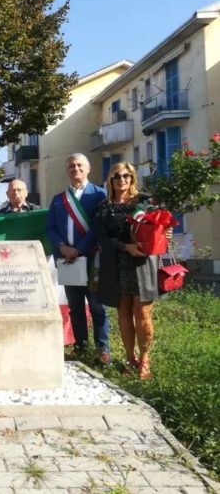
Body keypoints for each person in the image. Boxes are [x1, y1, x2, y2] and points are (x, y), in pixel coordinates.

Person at [93, 162, 172, 379]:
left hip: (143, 264)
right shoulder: (103, 207)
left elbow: (160, 225)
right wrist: (124, 246)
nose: (122, 180)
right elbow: (102, 238)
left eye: (126, 176)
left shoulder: (145, 202)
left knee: (143, 313)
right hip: (117, 264)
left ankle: (145, 360)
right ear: (111, 180)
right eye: (117, 176)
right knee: (124, 314)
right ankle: (130, 359)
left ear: (132, 178)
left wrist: (165, 232)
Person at [46, 153, 111, 363]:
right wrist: (62, 247)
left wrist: (80, 249)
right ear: (67, 170)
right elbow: (50, 228)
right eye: (72, 166)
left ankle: (102, 350)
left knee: (97, 306)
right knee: (75, 307)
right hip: (68, 260)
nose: (76, 169)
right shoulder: (58, 199)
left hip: (92, 259)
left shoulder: (100, 195)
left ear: (88, 168)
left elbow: (97, 227)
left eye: (80, 165)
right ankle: (81, 347)